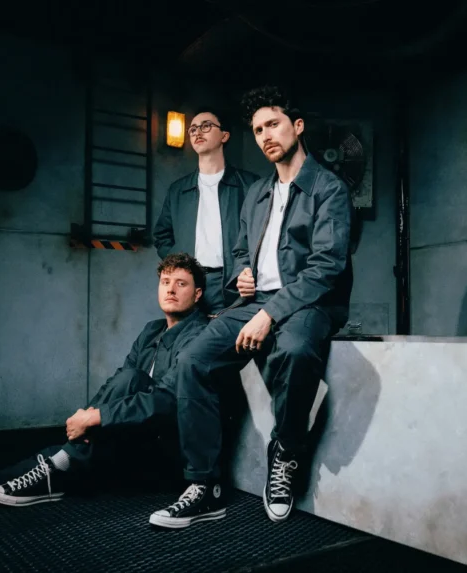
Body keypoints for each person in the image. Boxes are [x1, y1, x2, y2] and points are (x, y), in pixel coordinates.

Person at [149, 86, 353, 529]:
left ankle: (286, 449)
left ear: (297, 127)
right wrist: (243, 274)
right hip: (254, 301)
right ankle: (204, 485)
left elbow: (325, 267)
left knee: (296, 352)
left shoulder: (328, 188)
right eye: (258, 129)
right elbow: (242, 249)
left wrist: (269, 313)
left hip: (308, 304)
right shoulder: (258, 192)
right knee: (193, 360)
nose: (265, 136)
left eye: (273, 124)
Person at [0, 253, 209, 518]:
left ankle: (56, 463)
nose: (170, 289)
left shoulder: (198, 336)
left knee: (127, 386)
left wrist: (95, 418)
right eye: (165, 282)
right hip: (127, 440)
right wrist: (87, 417)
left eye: (181, 284)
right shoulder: (151, 330)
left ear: (197, 294)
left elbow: (167, 402)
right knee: (51, 459)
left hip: (163, 455)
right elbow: (118, 379)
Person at [153, 108, 259, 315]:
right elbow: (162, 235)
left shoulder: (250, 185)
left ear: (224, 136)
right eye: (192, 129)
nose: (197, 132)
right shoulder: (178, 190)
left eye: (206, 126)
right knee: (187, 340)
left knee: (231, 343)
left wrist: (247, 271)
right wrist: (179, 265)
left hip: (232, 280)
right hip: (189, 281)